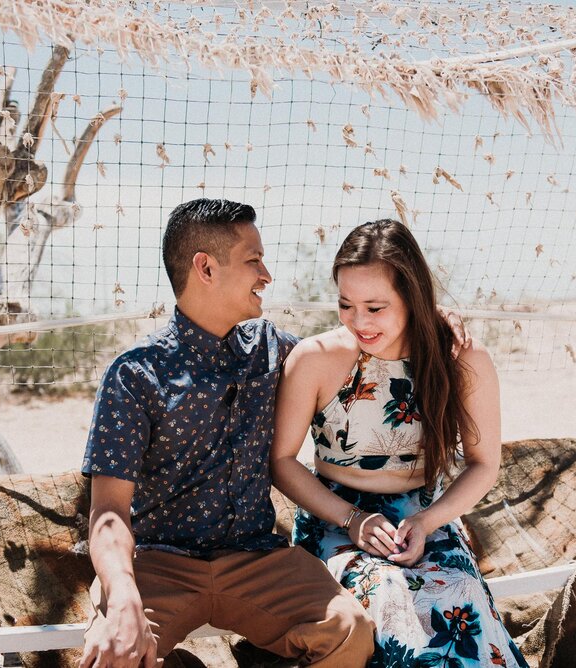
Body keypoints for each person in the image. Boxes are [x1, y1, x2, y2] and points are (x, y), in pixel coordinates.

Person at [79, 199, 376, 668]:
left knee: (350, 633)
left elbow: (351, 352)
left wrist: (433, 327)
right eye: (253, 259)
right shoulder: (135, 374)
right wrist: (120, 594)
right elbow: (109, 512)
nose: (267, 274)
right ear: (206, 268)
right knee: (112, 656)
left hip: (260, 558)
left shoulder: (273, 348)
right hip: (161, 561)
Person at [270, 219, 529, 668]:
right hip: (335, 519)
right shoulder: (315, 359)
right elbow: (282, 461)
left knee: (461, 599)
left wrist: (428, 522)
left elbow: (484, 464)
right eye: (346, 305)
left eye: (375, 307)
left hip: (426, 516)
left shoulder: (461, 359)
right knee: (388, 599)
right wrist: (352, 520)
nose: (359, 322)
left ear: (412, 297)